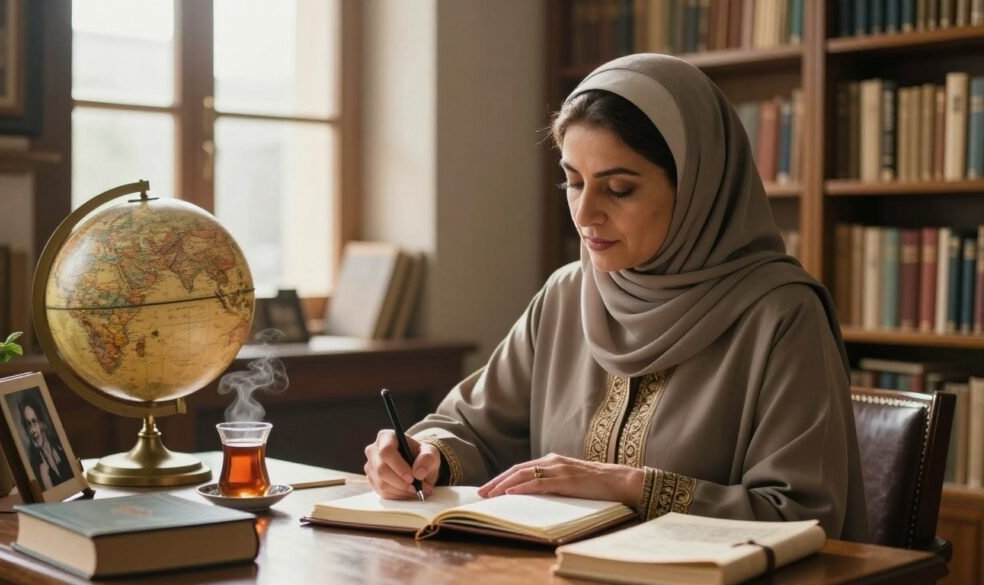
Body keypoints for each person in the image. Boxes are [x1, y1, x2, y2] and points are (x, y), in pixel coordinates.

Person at [363, 53, 868, 540]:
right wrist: (425, 452)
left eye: (619, 189)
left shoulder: (782, 314)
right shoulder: (566, 294)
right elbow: (470, 426)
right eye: (573, 182)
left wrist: (628, 486)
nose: (585, 214)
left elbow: (803, 515)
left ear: (697, 187)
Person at [19, 395, 73, 490]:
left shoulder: (60, 445)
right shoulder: (36, 465)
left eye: (34, 422)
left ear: (42, 422)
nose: (32, 430)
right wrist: (46, 479)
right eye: (28, 424)